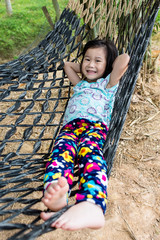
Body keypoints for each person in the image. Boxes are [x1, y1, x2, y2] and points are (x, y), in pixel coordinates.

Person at [40, 39, 130, 230]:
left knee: (90, 155)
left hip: (94, 128)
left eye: (98, 60)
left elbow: (125, 59)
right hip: (70, 129)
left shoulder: (108, 84)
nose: (90, 64)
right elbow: (67, 65)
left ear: (108, 65)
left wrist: (107, 66)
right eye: (87, 59)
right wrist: (87, 66)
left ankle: (92, 204)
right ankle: (56, 194)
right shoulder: (79, 84)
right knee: (59, 155)